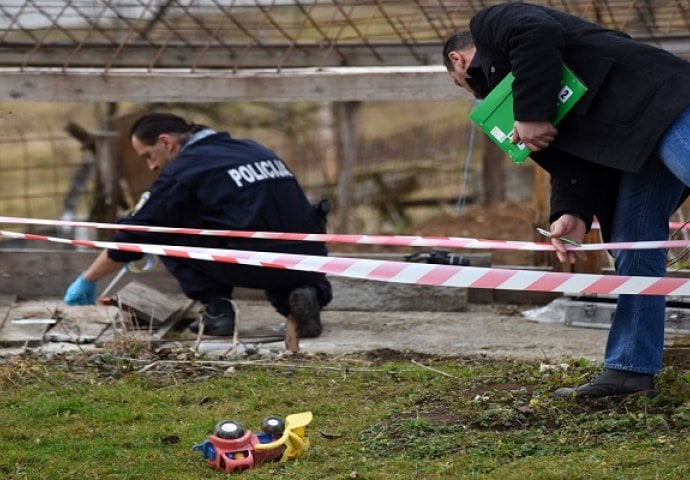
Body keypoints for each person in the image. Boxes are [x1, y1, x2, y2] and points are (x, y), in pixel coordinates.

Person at [443, 2, 690, 400]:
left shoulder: (491, 24)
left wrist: (532, 111)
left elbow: (534, 32)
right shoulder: (515, 95)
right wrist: (570, 212)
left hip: (663, 103)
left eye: (463, 82)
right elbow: (572, 161)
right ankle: (630, 370)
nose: (475, 89)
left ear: (458, 60)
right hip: (634, 146)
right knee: (633, 246)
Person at [64, 112, 332, 338]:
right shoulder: (254, 148)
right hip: (308, 259)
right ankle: (301, 298)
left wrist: (87, 279)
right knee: (263, 228)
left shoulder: (185, 169)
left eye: (148, 155)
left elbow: (138, 234)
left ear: (166, 142)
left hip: (255, 263)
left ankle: (218, 312)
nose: (152, 167)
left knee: (168, 232)